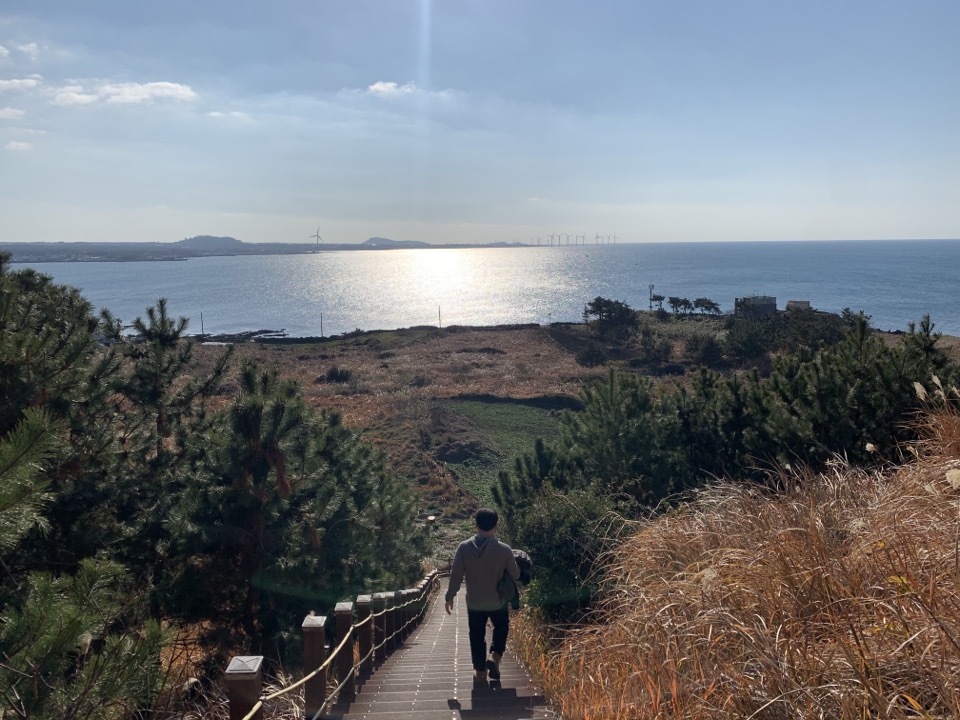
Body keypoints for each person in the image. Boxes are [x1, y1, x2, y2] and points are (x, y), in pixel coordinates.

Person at [445, 508, 521, 682]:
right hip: (497, 601)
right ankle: (495, 656)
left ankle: (480, 672)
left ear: (476, 525)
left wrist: (450, 597)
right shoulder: (504, 550)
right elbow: (516, 575)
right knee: (501, 627)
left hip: (475, 602)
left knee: (476, 636)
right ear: (495, 526)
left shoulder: (464, 548)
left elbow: (456, 576)